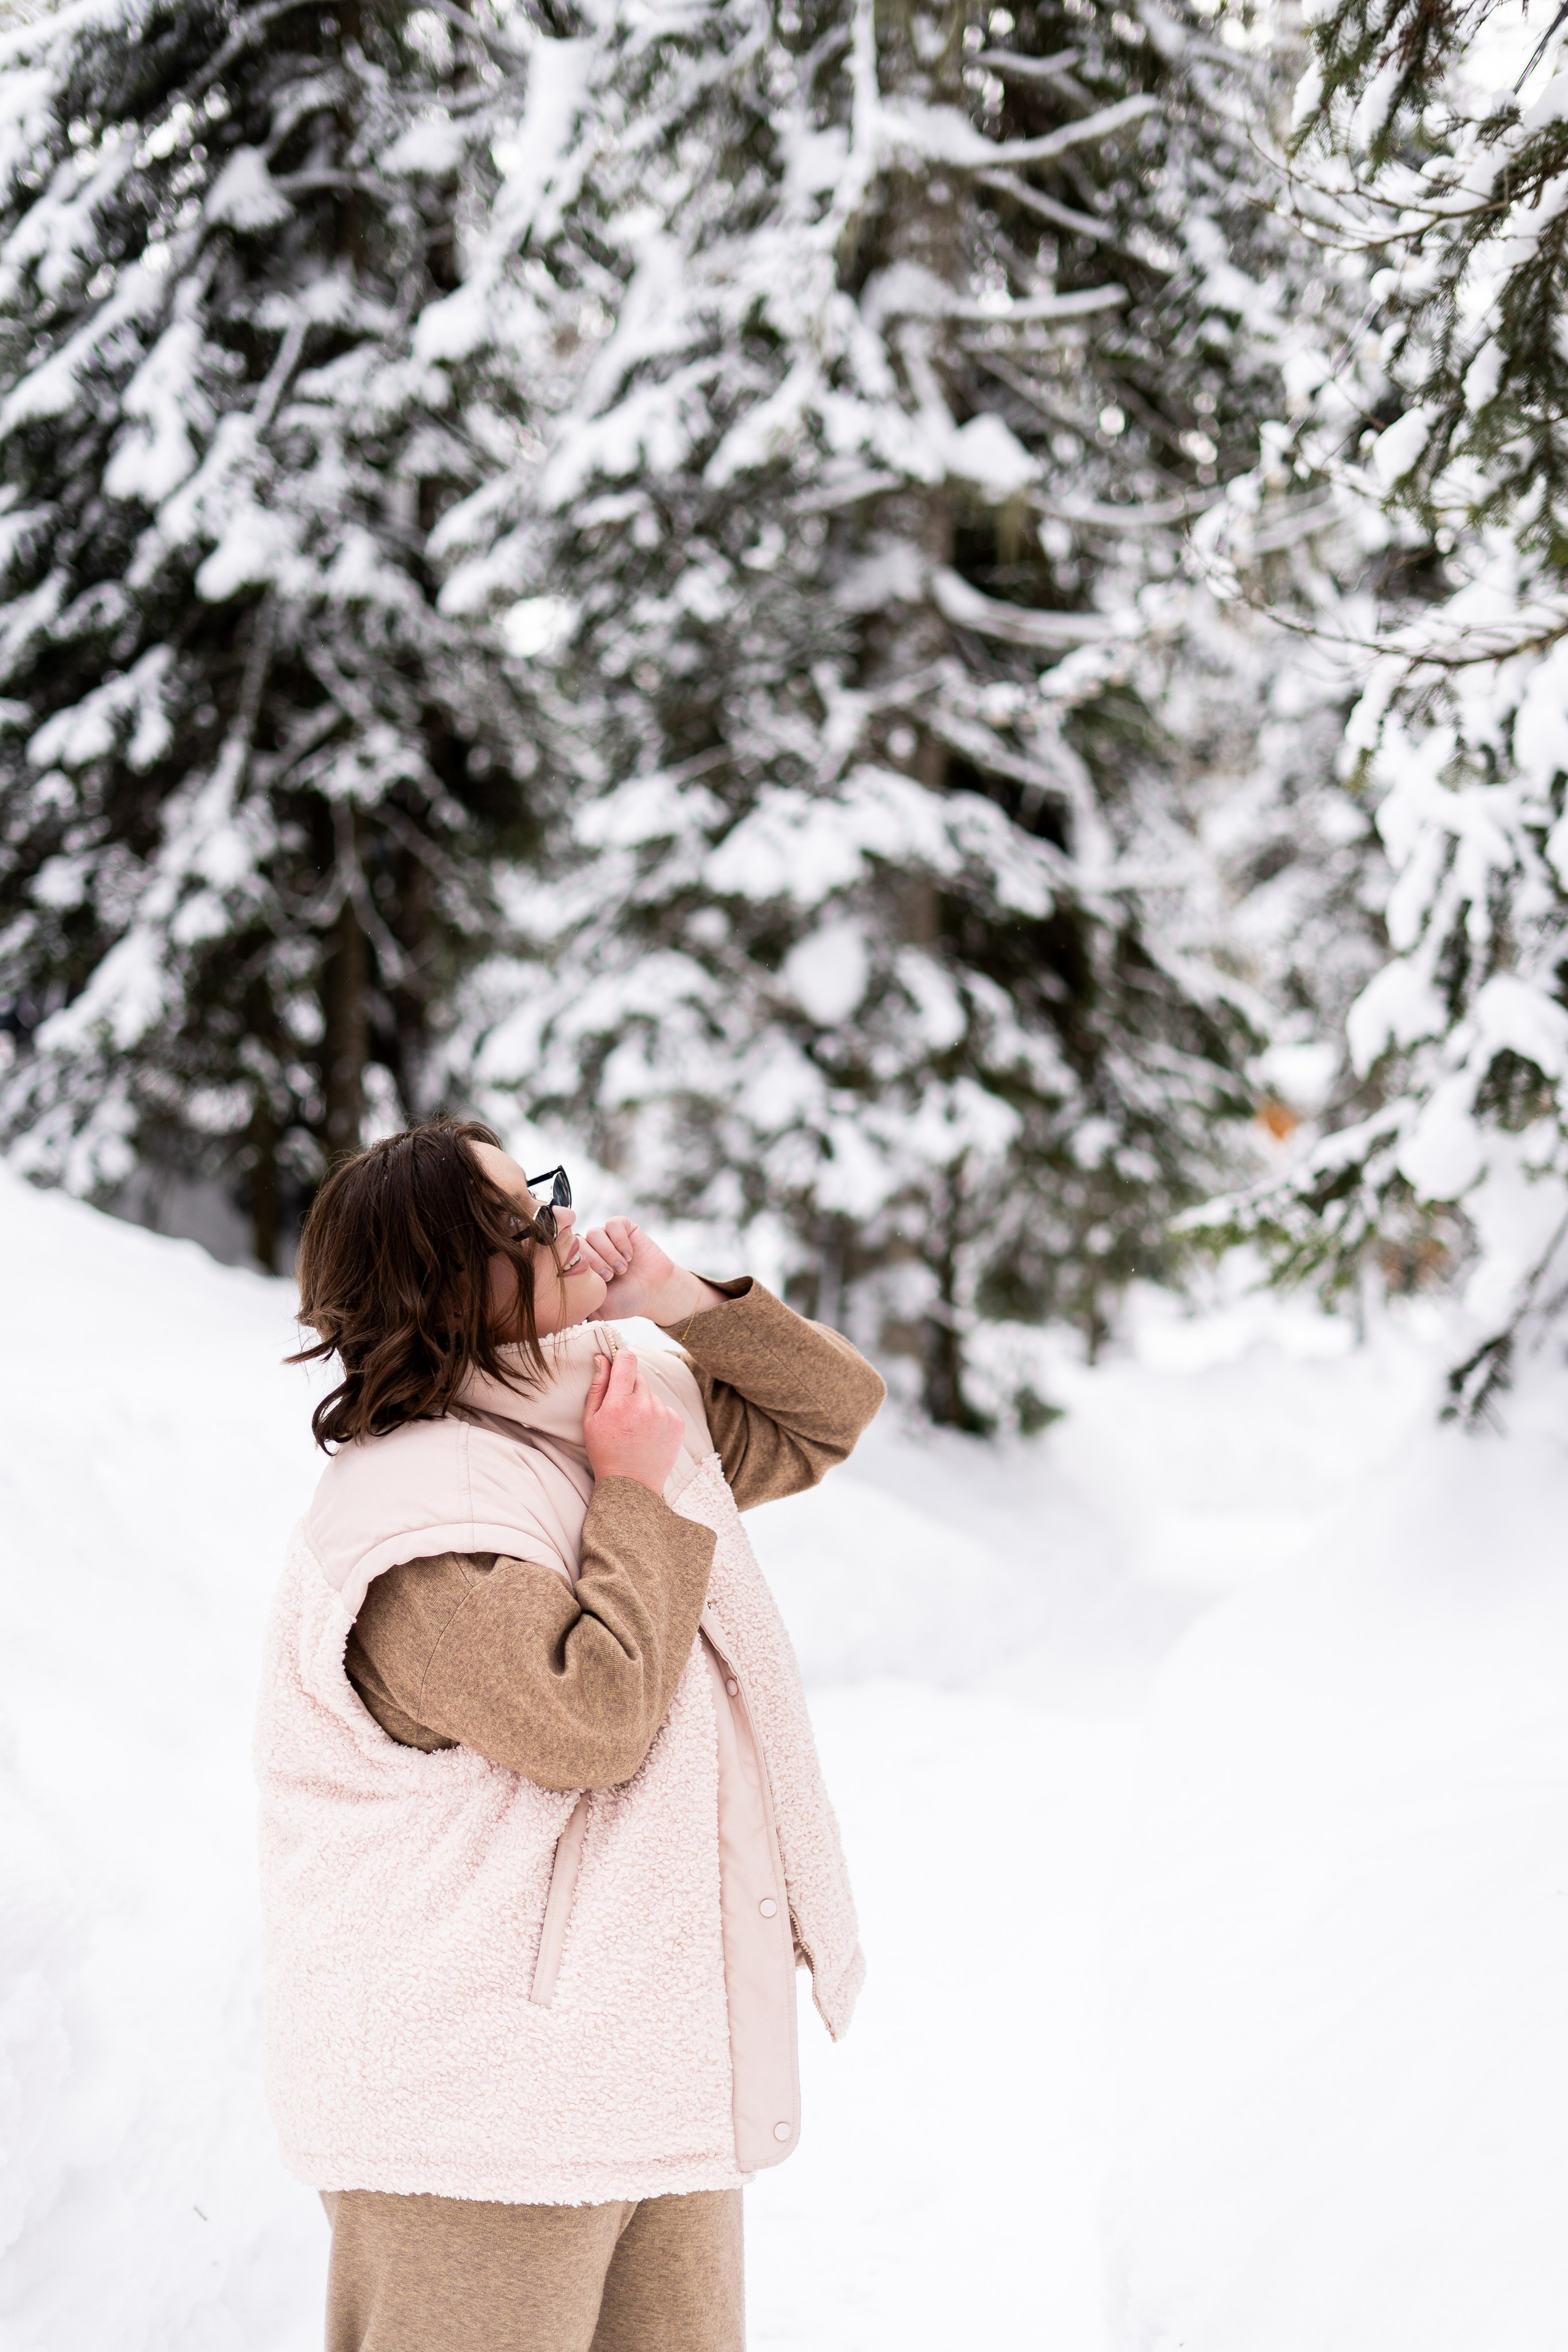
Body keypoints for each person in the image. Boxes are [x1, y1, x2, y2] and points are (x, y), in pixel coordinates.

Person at [255, 1118, 885, 2352]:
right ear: (446, 1289)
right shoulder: (414, 1519)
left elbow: (826, 1412)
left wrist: (681, 1300)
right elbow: (589, 1718)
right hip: (472, 2123)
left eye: (543, 1195)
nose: (557, 1224)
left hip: (644, 2080)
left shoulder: (607, 1402)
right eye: (518, 1222)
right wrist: (638, 1493)